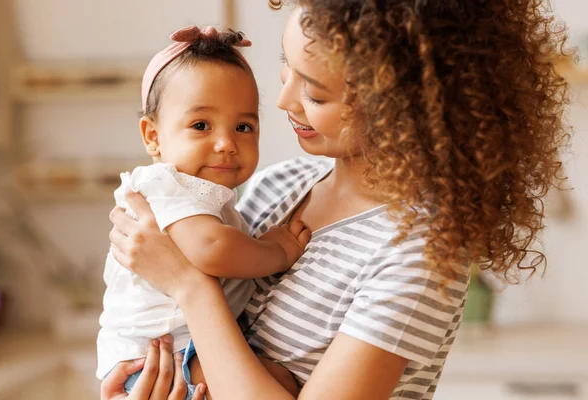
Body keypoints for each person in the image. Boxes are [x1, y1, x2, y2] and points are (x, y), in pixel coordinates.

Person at [103, 0, 570, 398]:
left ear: (400, 106)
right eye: (286, 64)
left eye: (315, 92)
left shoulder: (421, 252)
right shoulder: (279, 185)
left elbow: (196, 293)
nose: (284, 100)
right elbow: (187, 340)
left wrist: (190, 287)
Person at [97, 25, 308, 398]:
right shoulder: (164, 186)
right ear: (153, 137)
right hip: (159, 357)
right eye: (200, 125)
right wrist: (277, 252)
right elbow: (212, 249)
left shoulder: (212, 197)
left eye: (243, 126)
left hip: (177, 346)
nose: (226, 143)